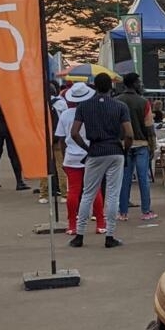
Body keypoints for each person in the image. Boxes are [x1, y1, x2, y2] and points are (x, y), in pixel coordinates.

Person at [69, 73, 132, 249]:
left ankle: (79, 235)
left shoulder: (84, 106)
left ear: (94, 87)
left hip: (95, 151)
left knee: (88, 193)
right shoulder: (120, 107)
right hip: (115, 151)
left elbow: (74, 133)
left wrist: (87, 148)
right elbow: (129, 134)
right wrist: (124, 149)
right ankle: (109, 235)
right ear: (111, 86)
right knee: (112, 194)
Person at [55, 83, 107, 236]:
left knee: (73, 191)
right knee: (95, 190)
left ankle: (72, 225)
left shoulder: (65, 114)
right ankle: (100, 223)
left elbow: (61, 139)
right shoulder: (95, 112)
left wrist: (65, 157)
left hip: (71, 157)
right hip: (91, 156)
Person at [115, 73, 157, 222]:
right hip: (141, 145)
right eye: (138, 82)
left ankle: (123, 212)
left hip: (123, 145)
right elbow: (149, 127)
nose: (140, 84)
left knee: (124, 179)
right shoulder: (144, 102)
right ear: (133, 84)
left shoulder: (117, 101)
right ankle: (146, 211)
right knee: (143, 179)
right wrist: (152, 146)